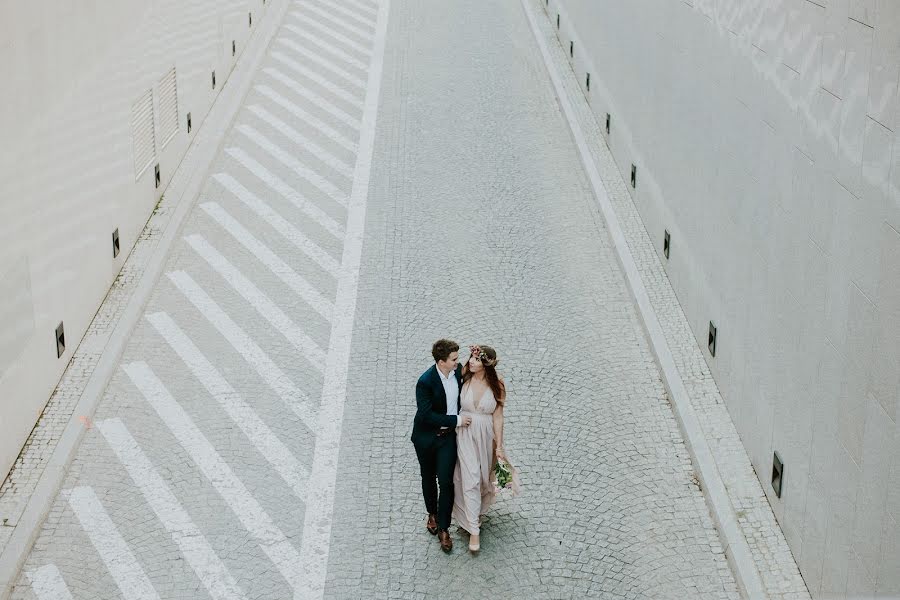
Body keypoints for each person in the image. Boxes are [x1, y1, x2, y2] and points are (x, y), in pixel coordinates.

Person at [452, 344, 518, 553]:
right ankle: (474, 531)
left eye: (476, 359)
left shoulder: (497, 384)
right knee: (470, 477)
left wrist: (499, 445)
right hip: (465, 434)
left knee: (482, 478)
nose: (471, 362)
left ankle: (474, 513)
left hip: (486, 436)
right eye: (471, 357)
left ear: (486, 364)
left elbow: (498, 417)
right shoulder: (463, 377)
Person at [411, 339, 473, 553]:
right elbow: (426, 415)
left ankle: (444, 528)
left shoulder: (457, 374)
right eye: (454, 359)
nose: (458, 362)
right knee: (428, 477)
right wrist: (456, 420)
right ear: (441, 361)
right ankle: (432, 514)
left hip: (447, 439)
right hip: (426, 438)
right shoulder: (425, 382)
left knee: (446, 482)